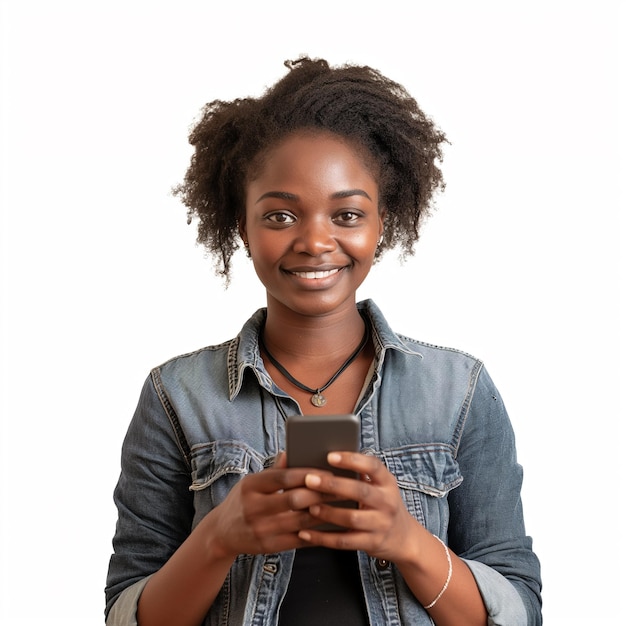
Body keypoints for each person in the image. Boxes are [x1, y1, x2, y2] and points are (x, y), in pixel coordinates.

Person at [105, 57, 542, 626]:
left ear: (382, 222)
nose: (315, 241)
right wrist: (218, 537)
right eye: (281, 215)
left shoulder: (458, 391)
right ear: (242, 226)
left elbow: (521, 611)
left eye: (347, 214)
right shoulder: (177, 396)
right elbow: (125, 615)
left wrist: (407, 540)